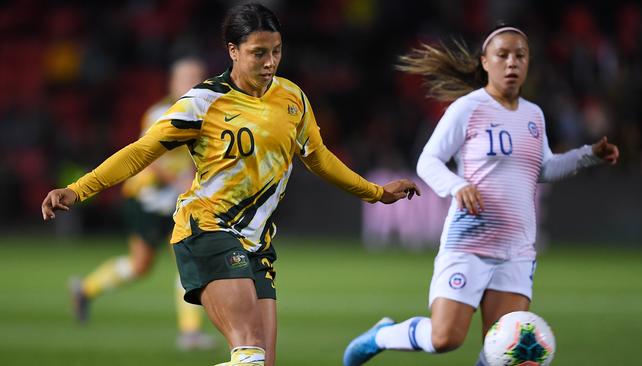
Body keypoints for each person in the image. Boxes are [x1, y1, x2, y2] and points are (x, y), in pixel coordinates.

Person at [41, 3, 420, 366]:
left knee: (259, 363)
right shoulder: (204, 103)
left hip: (257, 243)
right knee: (250, 352)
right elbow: (141, 152)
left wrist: (375, 193)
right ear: (233, 51)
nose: (270, 62)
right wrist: (78, 189)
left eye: (276, 51)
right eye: (258, 53)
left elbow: (318, 157)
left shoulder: (293, 99)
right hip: (208, 229)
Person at [343, 24, 619, 366]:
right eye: (503, 55)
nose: (512, 62)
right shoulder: (468, 108)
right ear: (485, 62)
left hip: (517, 249)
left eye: (520, 55)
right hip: (469, 241)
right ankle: (380, 336)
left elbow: (543, 168)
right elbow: (428, 160)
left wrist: (588, 155)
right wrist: (457, 186)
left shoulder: (534, 115)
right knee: (445, 338)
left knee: (504, 351)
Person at [66, 57, 216, 350]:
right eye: (185, 77)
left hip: (175, 201)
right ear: (172, 84)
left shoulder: (207, 113)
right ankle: (85, 289)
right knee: (141, 265)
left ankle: (190, 333)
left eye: (197, 77)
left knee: (189, 259)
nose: (192, 83)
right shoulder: (160, 113)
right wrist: (179, 182)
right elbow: (149, 156)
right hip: (147, 198)